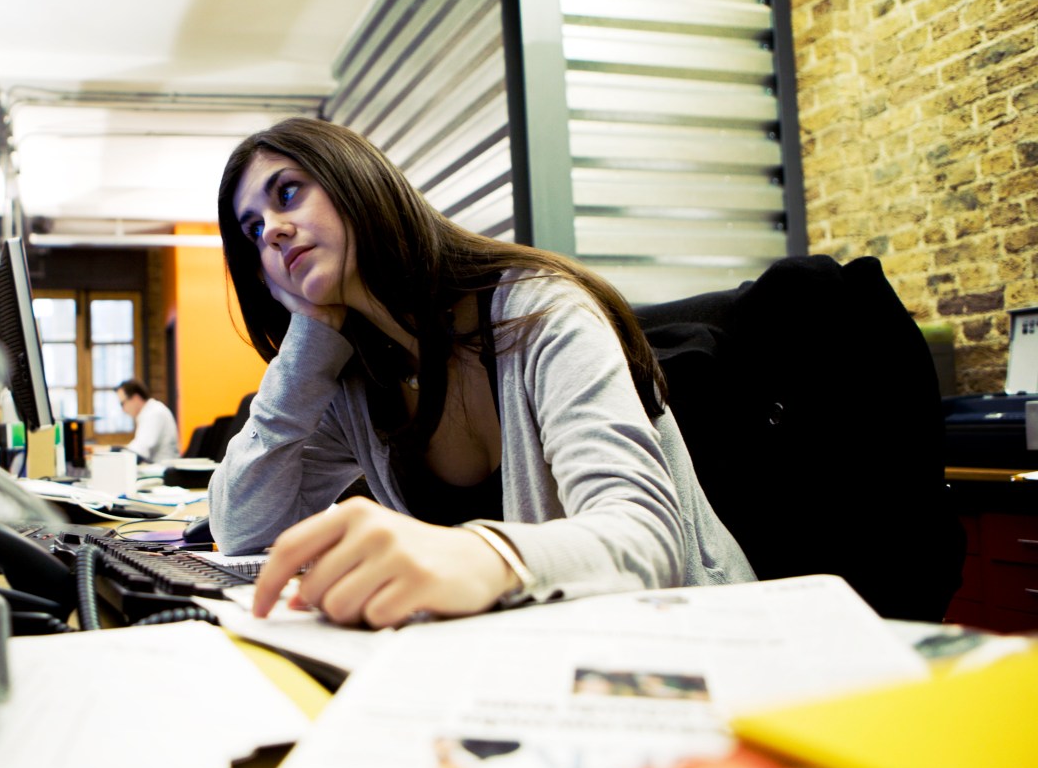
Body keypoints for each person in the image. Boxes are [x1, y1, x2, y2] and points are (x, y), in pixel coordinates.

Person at [209, 117, 755, 629]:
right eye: (252, 230)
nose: (272, 233)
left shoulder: (540, 309)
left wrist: (484, 556)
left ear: (355, 179)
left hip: (693, 640)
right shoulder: (354, 380)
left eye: (287, 193)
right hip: (524, 655)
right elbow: (241, 529)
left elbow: (649, 542)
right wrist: (306, 347)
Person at [115, 378, 180, 463]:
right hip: (158, 467)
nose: (123, 409)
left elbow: (138, 452)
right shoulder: (149, 411)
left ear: (136, 398)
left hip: (162, 470)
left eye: (122, 403)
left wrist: (113, 454)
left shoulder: (154, 413)